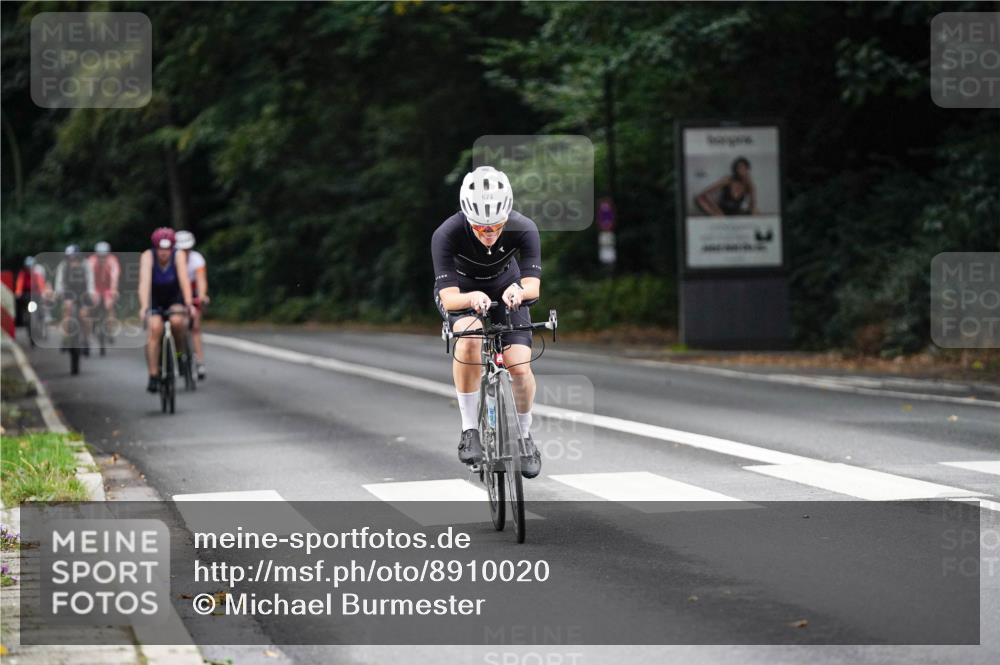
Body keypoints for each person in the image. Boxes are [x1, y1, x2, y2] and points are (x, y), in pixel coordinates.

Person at [431, 165, 543, 479]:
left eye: (495, 225)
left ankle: (525, 438)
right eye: (480, 227)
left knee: (519, 366)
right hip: (462, 294)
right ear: (467, 217)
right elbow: (450, 297)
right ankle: (470, 431)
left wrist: (517, 289)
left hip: (508, 291)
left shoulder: (524, 227)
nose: (489, 233)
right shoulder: (447, 234)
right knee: (470, 337)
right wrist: (471, 299)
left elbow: (533, 286)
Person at [137, 228, 194, 393]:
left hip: (173, 297)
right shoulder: (147, 257)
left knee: (177, 322)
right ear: (155, 248)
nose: (164, 253)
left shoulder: (179, 256)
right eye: (160, 249)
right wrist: (144, 307)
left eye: (167, 249)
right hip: (154, 298)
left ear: (172, 248)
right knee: (154, 329)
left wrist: (189, 303)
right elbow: (144, 283)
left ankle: (178, 354)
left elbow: (184, 281)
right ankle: (153, 374)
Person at [174, 230, 209, 380]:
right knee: (177, 327)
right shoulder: (173, 260)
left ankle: (200, 362)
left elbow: (201, 280)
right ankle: (179, 355)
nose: (185, 252)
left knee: (195, 327)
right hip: (176, 293)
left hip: (193, 292)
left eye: (187, 249)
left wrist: (201, 297)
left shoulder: (197, 259)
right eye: (182, 249)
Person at [51, 245, 96, 354]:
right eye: (70, 256)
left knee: (85, 316)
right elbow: (59, 281)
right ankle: (66, 338)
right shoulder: (63, 266)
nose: (72, 259)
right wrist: (58, 293)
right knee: (67, 309)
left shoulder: (86, 264)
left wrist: (91, 293)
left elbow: (90, 279)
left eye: (74, 256)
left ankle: (86, 339)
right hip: (68, 292)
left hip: (83, 292)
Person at [695, 156, 759, 216]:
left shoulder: (749, 185)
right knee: (699, 198)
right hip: (720, 212)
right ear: (735, 170)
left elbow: (752, 206)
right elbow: (705, 192)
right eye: (739, 167)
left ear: (748, 169)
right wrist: (716, 209)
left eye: (745, 168)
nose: (742, 170)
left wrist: (752, 188)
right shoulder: (728, 180)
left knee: (756, 212)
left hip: (735, 213)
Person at [88, 241, 121, 341]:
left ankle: (110, 330)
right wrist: (91, 292)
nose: (102, 258)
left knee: (109, 306)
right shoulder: (91, 260)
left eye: (104, 256)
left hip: (108, 288)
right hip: (95, 288)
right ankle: (93, 323)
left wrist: (114, 290)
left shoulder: (112, 260)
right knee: (93, 304)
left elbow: (115, 276)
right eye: (100, 256)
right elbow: (89, 278)